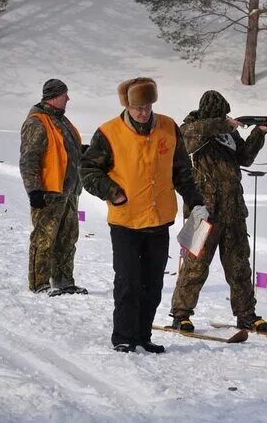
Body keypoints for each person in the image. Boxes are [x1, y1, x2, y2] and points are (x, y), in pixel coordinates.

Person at [81, 77, 205, 354]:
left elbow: (181, 169)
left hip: (159, 219)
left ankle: (143, 335)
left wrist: (194, 200)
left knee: (153, 282)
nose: (143, 112)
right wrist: (112, 192)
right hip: (125, 220)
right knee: (128, 281)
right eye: (138, 107)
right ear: (127, 105)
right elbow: (88, 170)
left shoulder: (168, 127)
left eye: (148, 106)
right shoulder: (109, 132)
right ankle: (123, 336)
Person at [168, 90, 267, 333]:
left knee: (239, 266)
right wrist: (223, 125)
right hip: (202, 211)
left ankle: (246, 315)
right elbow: (189, 140)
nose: (226, 119)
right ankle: (181, 314)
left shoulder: (229, 134)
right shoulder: (190, 129)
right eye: (221, 116)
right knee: (194, 266)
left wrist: (259, 133)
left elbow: (245, 158)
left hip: (233, 210)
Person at [19, 78, 88, 296]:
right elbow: (29, 159)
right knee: (44, 239)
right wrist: (34, 191)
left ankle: (64, 281)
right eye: (64, 94)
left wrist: (84, 151)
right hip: (48, 192)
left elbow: (66, 151)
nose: (68, 98)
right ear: (54, 96)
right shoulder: (37, 122)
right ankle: (39, 283)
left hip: (68, 192)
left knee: (68, 239)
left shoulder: (61, 121)